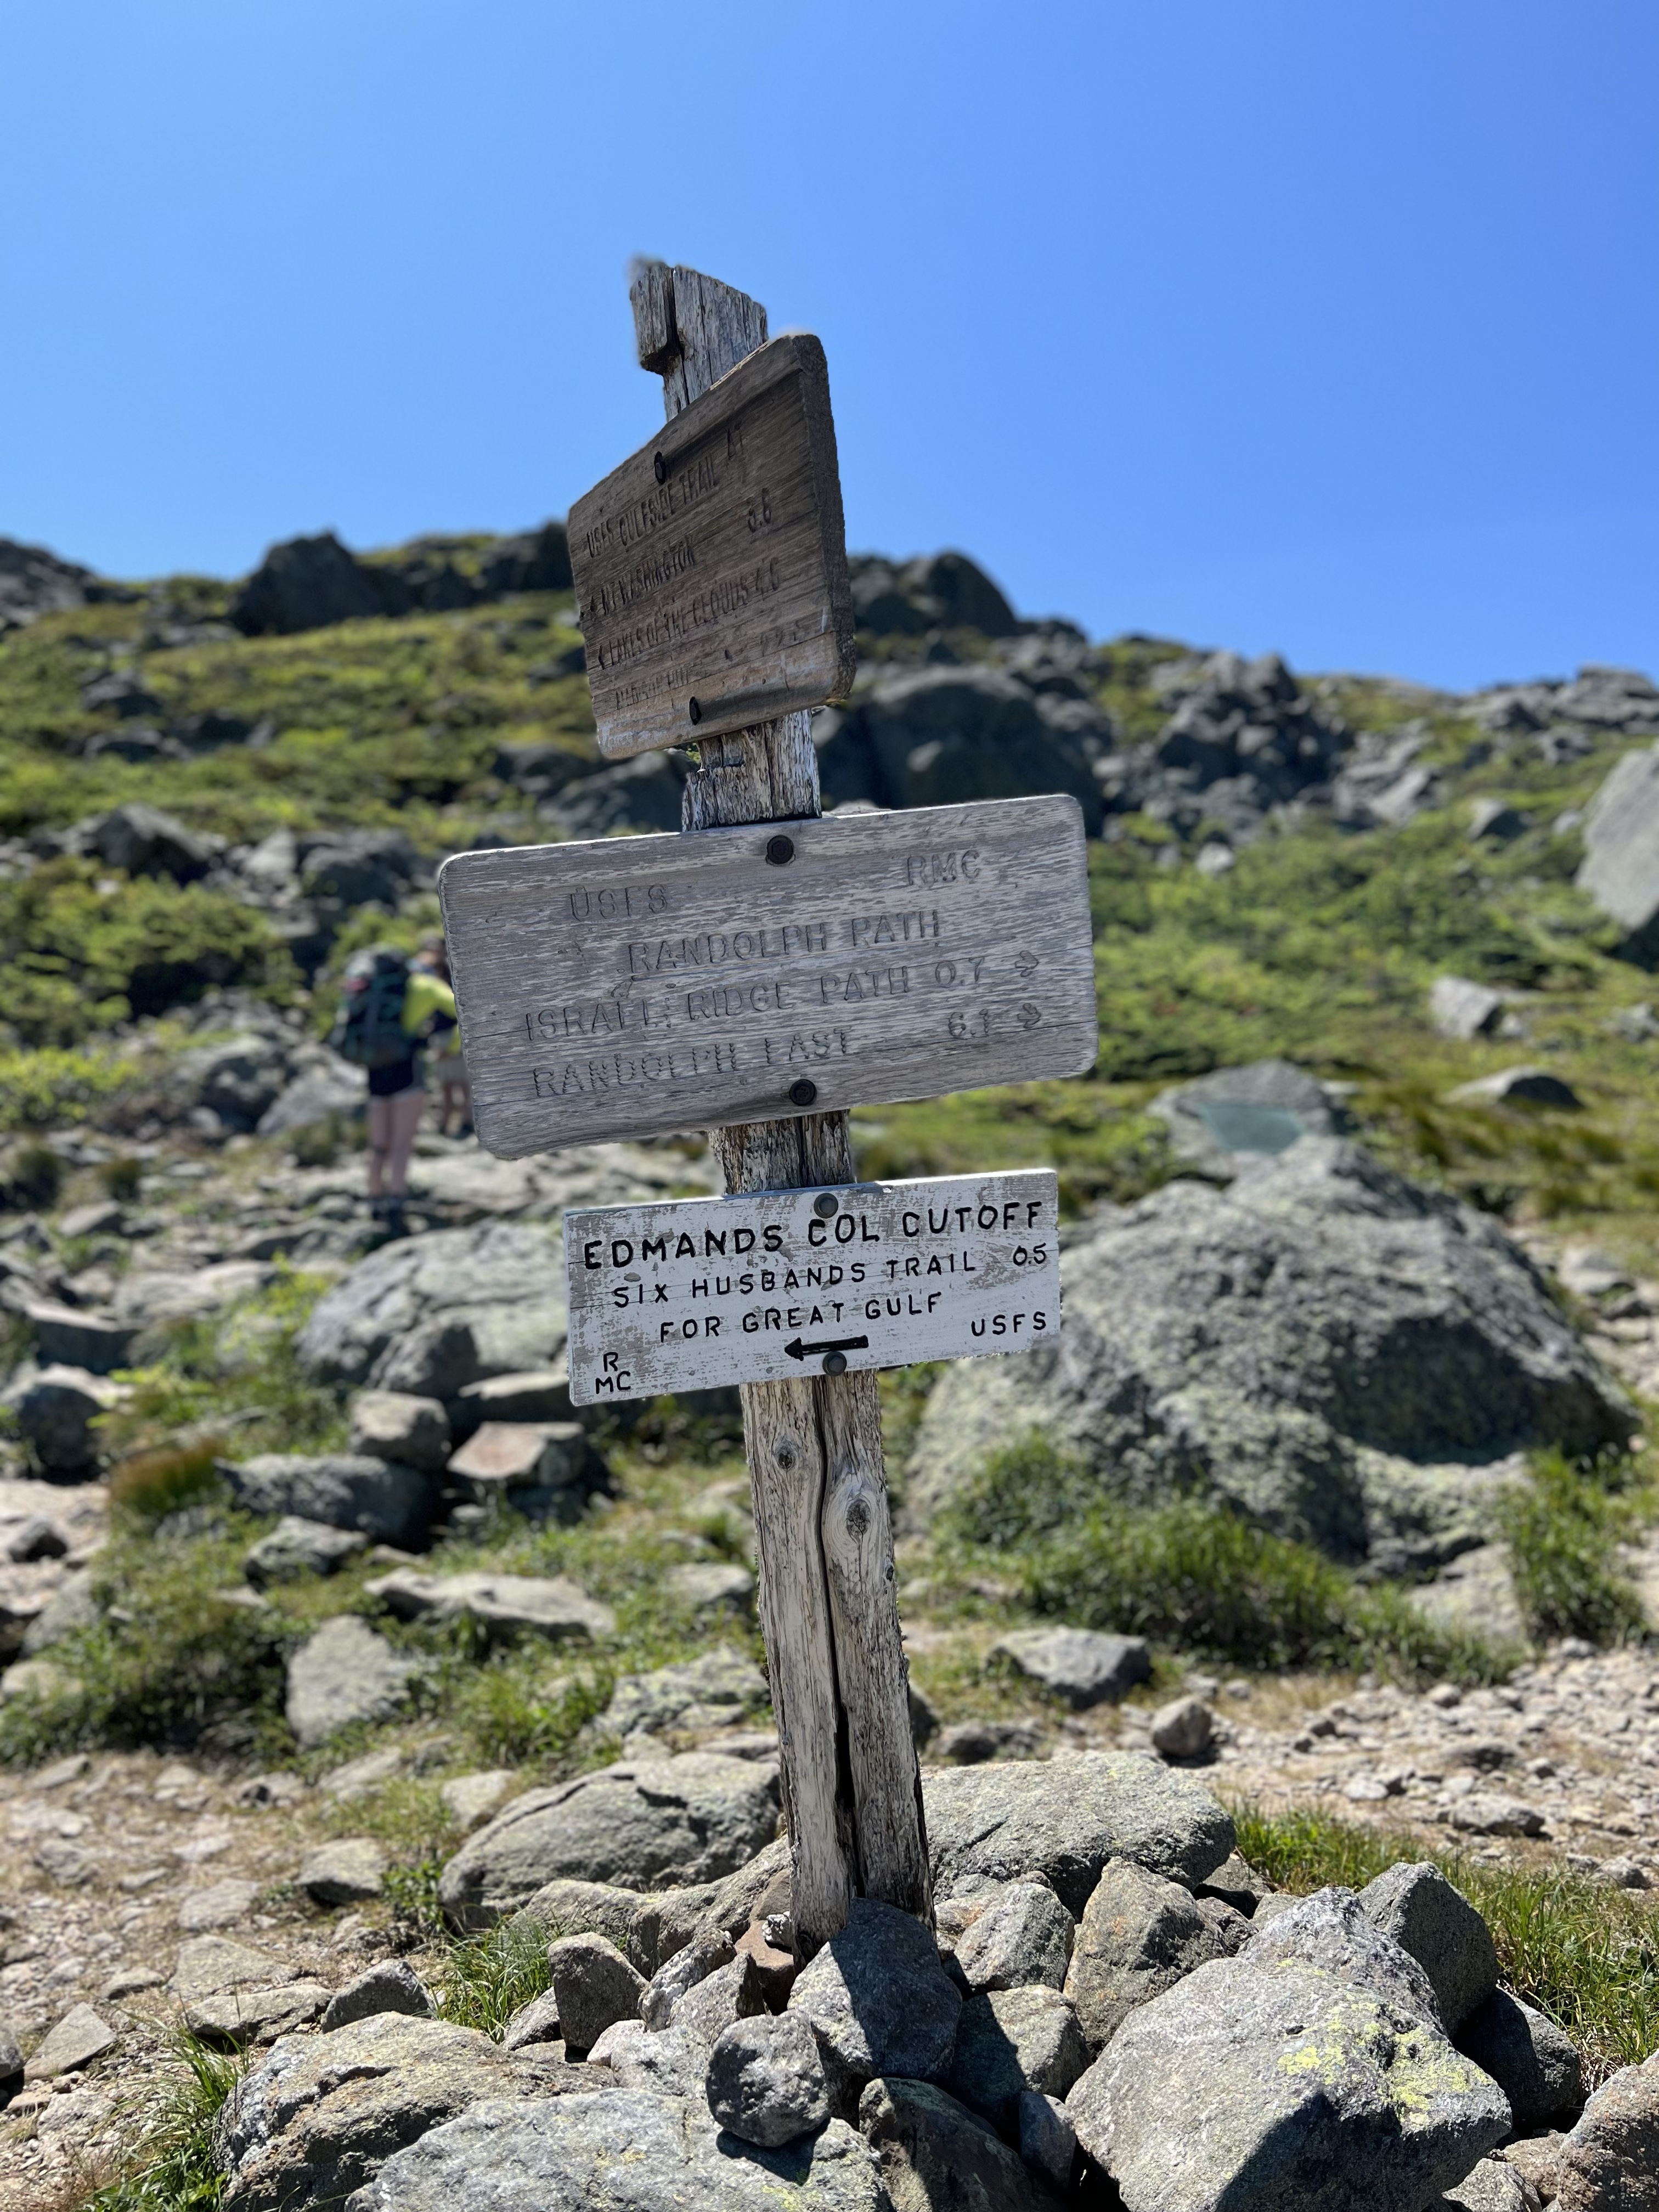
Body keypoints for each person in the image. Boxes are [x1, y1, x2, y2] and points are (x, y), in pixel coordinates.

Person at [331, 944, 456, 1238]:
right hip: (406, 1068)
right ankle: (396, 1206)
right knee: (402, 1142)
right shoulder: (422, 985)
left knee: (378, 1143)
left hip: (374, 1070)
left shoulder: (370, 988)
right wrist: (450, 1048)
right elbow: (459, 1009)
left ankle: (374, 1200)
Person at [415, 936, 472, 1138]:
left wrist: (452, 1047)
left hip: (455, 1034)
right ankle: (445, 1125)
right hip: (438, 1035)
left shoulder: (452, 972)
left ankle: (467, 1123)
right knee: (445, 1085)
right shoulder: (428, 974)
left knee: (463, 1083)